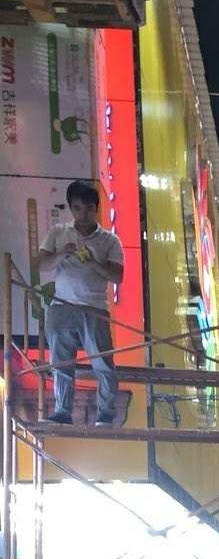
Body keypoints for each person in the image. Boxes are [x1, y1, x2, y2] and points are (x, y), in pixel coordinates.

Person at [37, 180, 124, 427]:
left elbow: (117, 276)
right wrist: (61, 254)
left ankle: (105, 414)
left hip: (95, 309)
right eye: (77, 208)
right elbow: (41, 265)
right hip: (61, 306)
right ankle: (62, 412)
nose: (83, 214)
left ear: (96, 208)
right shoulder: (58, 232)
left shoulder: (110, 240)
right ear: (70, 208)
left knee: (103, 364)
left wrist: (94, 262)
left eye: (89, 208)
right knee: (61, 363)